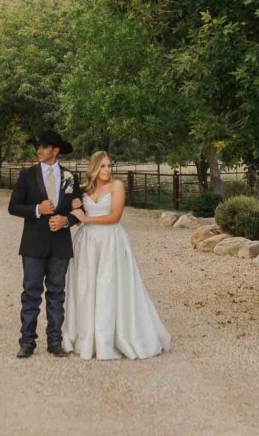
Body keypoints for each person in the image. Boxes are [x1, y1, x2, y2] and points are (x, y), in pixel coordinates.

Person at [61, 150, 171, 360]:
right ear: (93, 168)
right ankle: (86, 337)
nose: (107, 170)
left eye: (109, 166)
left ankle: (111, 337)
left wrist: (88, 219)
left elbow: (115, 216)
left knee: (108, 286)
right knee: (86, 286)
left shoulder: (116, 186)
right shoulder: (82, 189)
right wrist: (73, 205)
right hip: (86, 243)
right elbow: (69, 208)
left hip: (110, 240)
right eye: (102, 166)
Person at [7, 130, 80, 358]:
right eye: (38, 146)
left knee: (57, 293)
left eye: (44, 147)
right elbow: (13, 206)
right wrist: (38, 210)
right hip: (33, 244)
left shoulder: (70, 177)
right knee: (31, 293)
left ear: (55, 150)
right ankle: (27, 342)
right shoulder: (27, 175)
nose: (39, 150)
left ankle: (54, 341)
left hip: (60, 245)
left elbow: (79, 210)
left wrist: (66, 220)